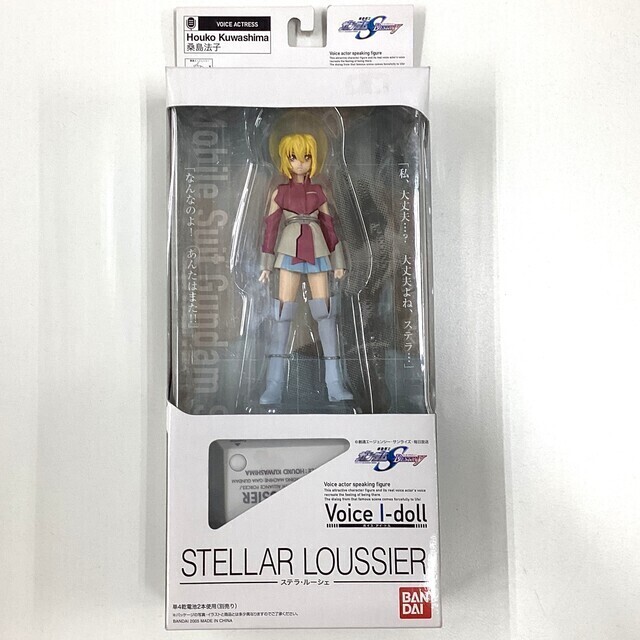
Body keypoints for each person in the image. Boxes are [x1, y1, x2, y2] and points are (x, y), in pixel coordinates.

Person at [258, 133, 352, 404]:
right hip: (288, 251)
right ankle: (273, 385)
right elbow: (270, 228)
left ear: (314, 159)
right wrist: (266, 264)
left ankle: (334, 383)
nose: (300, 163)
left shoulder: (319, 192)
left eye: (306, 157)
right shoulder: (280, 192)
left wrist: (338, 261)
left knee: (326, 313)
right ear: (285, 160)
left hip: (319, 250)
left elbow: (329, 226)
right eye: (293, 157)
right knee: (282, 314)